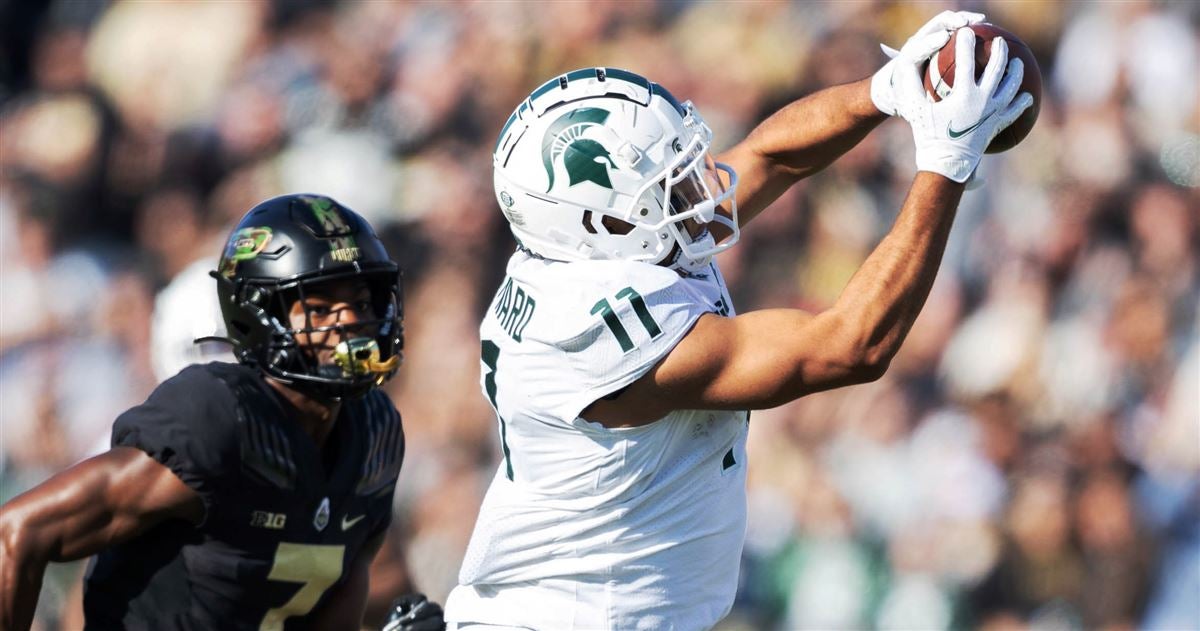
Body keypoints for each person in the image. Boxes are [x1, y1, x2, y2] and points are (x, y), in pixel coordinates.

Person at [444, 11, 1033, 630]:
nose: (695, 188)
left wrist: (887, 89)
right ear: (604, 223)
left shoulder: (596, 244)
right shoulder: (593, 328)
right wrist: (945, 161)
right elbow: (849, 346)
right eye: (664, 185)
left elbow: (770, 157)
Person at [0, 194, 424, 630]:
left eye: (362, 302)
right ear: (257, 317)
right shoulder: (223, 420)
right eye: (319, 309)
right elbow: (17, 533)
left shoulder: (374, 433)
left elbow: (339, 598)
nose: (350, 322)